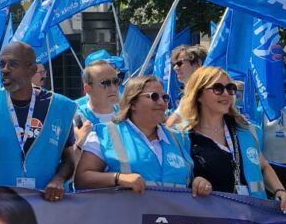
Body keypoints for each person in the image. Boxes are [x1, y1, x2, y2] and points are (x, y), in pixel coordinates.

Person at [0, 42, 76, 201]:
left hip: (46, 204)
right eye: (1, 64)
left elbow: (69, 159)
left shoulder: (60, 106)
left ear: (32, 70)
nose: (5, 69)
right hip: (0, 206)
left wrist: (58, 179)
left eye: (13, 64)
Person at [74, 74, 213, 196]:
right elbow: (82, 179)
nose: (162, 102)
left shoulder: (180, 138)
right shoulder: (104, 133)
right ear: (132, 103)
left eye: (164, 97)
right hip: (123, 222)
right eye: (154, 96)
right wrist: (118, 178)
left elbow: (186, 178)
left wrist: (197, 182)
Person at [177, 67, 286, 211]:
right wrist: (195, 182)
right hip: (212, 222)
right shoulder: (183, 136)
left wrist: (279, 191)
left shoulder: (247, 129)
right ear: (198, 95)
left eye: (230, 88)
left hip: (254, 216)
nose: (226, 93)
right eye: (217, 88)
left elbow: (263, 166)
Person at [72, 59, 121, 146]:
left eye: (115, 81)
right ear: (88, 88)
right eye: (105, 83)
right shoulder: (76, 119)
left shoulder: (128, 114)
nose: (113, 88)